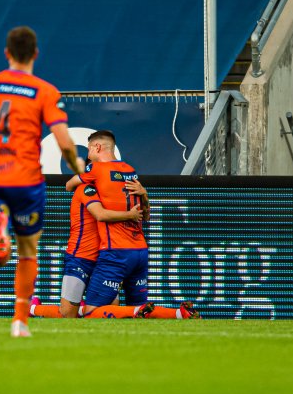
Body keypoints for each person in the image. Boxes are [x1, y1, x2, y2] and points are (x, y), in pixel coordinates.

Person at [0, 25, 85, 337]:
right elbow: (64, 140)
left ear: (7, 53)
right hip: (26, 180)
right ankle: (20, 322)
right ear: (35, 54)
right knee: (27, 251)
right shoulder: (45, 90)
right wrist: (73, 163)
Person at [64, 130, 199, 319]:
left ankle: (33, 309)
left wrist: (126, 212)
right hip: (140, 251)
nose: (87, 154)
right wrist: (143, 194)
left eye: (88, 149)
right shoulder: (130, 171)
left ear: (97, 147)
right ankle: (178, 313)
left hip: (115, 252)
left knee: (92, 312)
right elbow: (145, 216)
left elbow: (70, 186)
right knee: (135, 312)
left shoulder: (95, 170)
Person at [30, 178, 145, 318]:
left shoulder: (111, 193)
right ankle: (33, 308)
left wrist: (143, 193)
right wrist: (129, 215)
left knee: (109, 311)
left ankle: (82, 309)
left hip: (106, 259)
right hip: (80, 258)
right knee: (67, 314)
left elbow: (143, 215)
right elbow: (100, 214)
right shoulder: (86, 189)